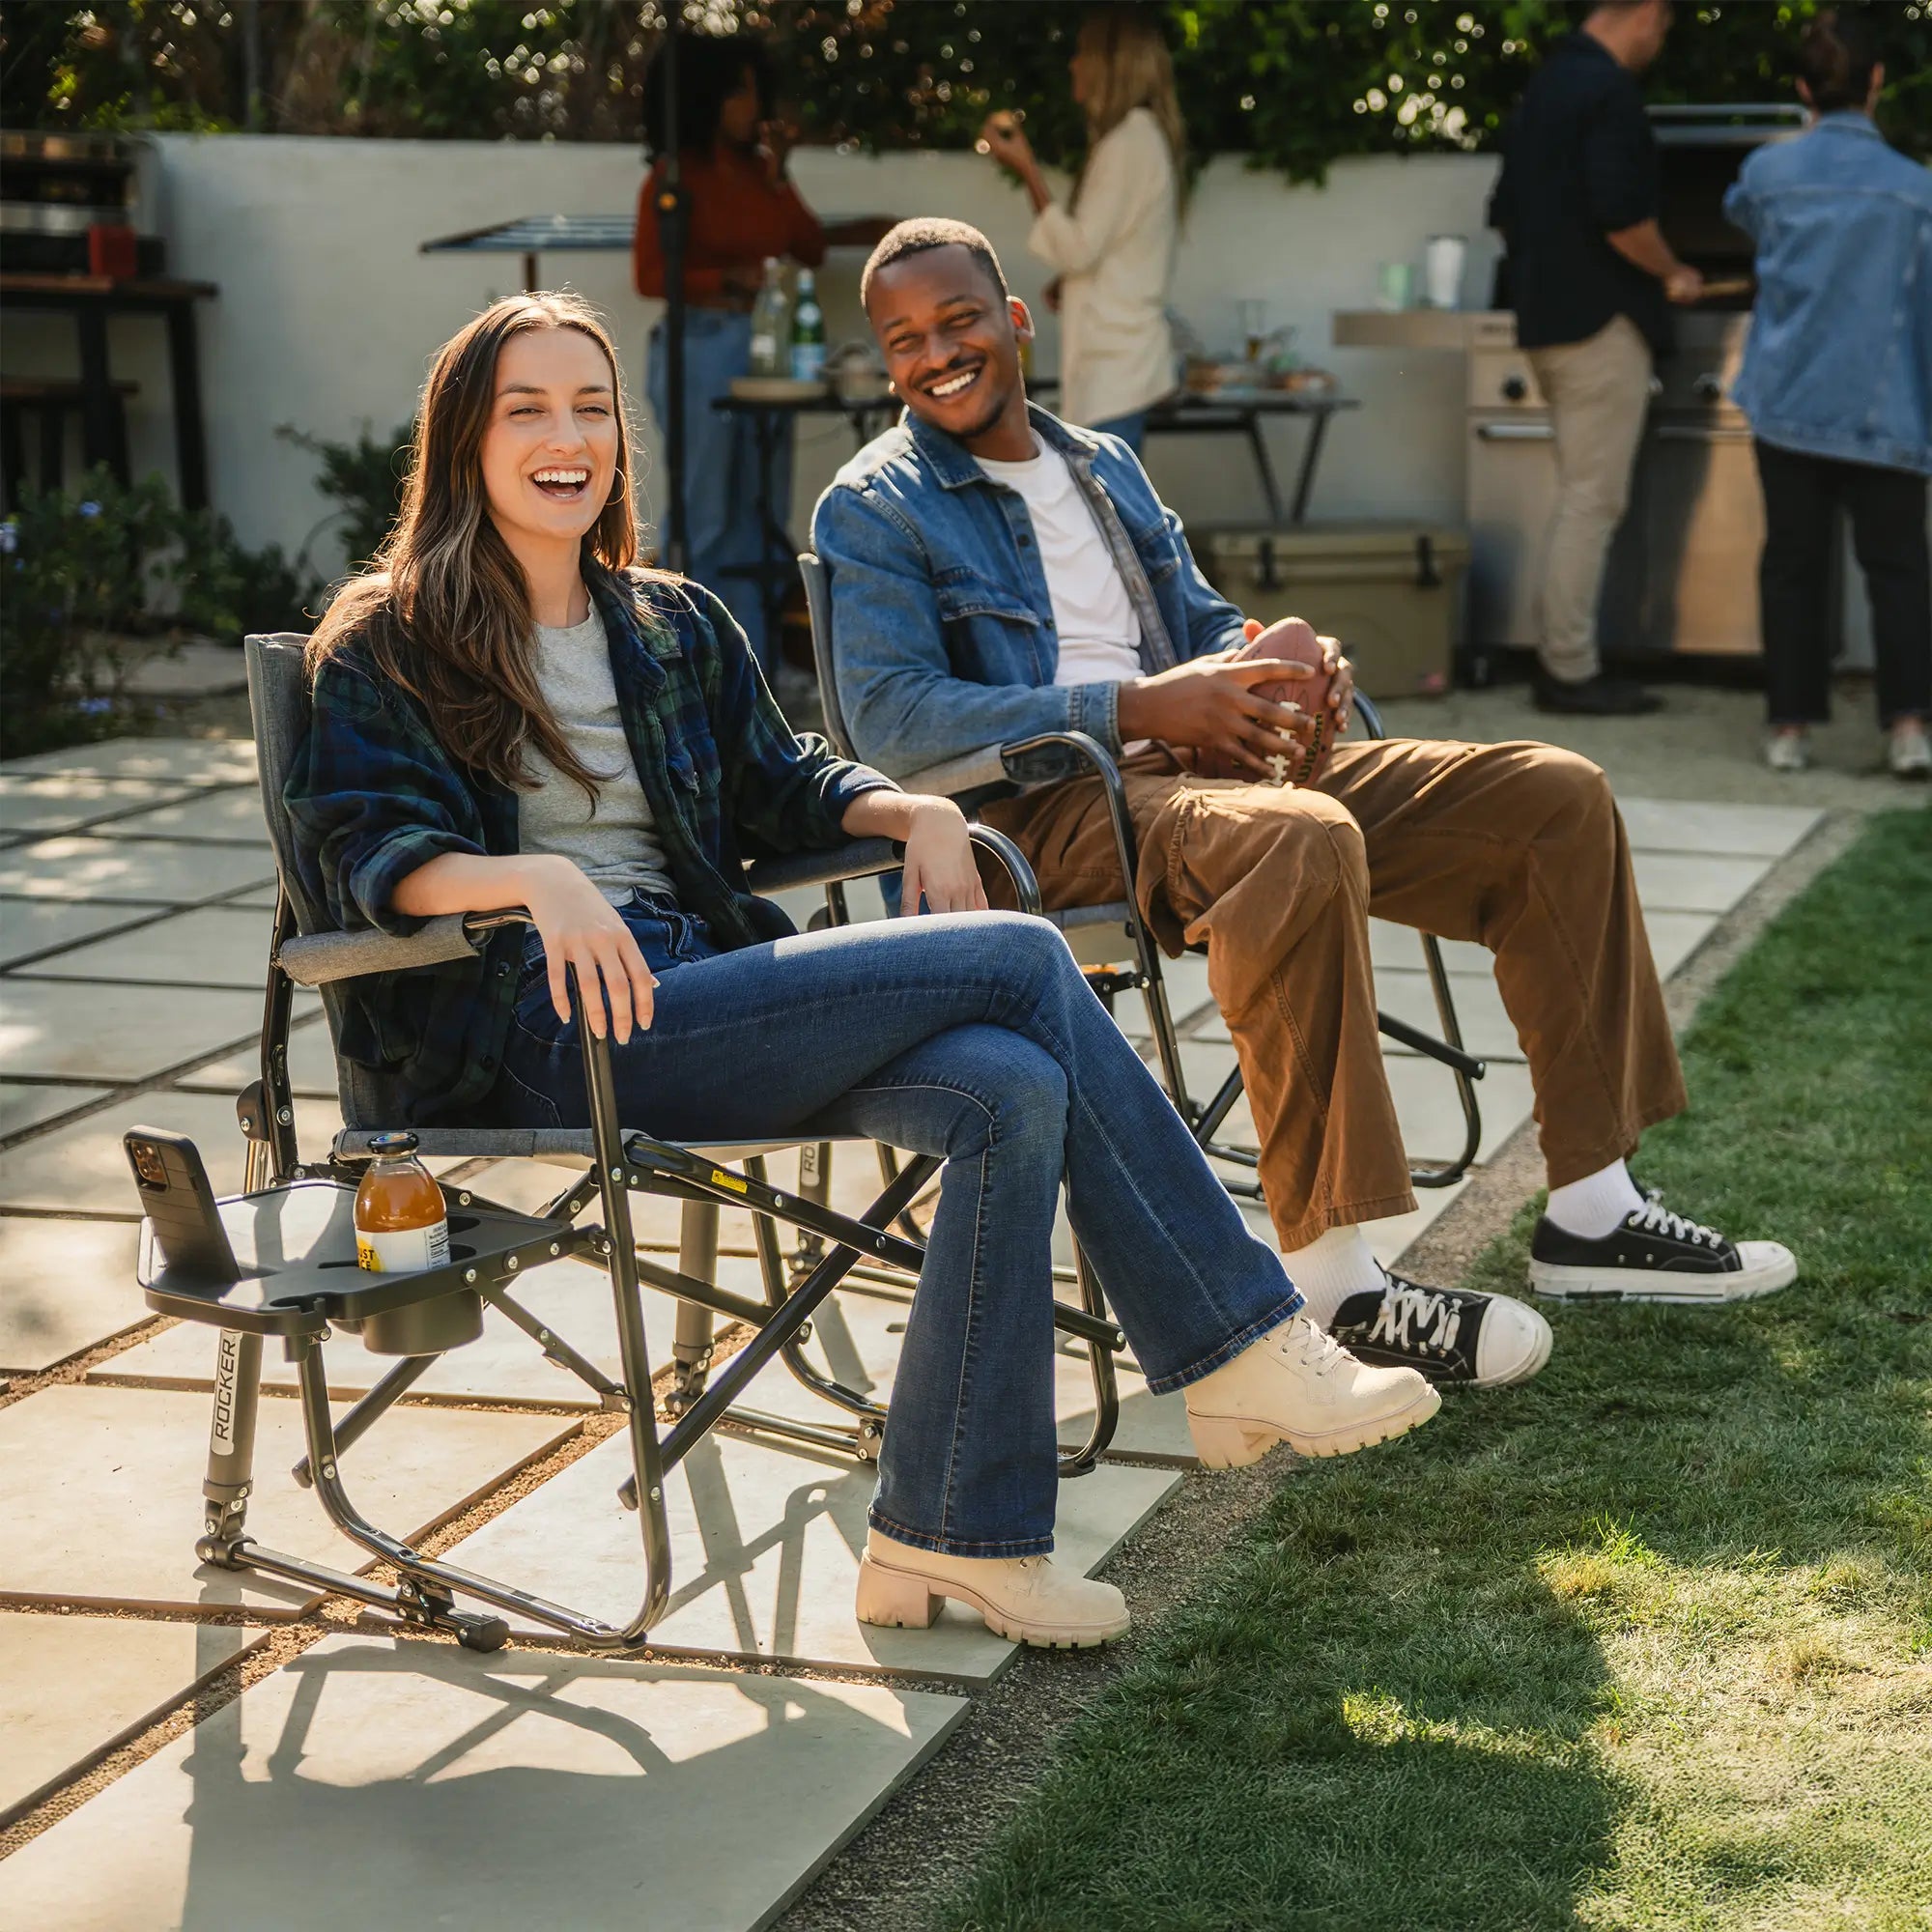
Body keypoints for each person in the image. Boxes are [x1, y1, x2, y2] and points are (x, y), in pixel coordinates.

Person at [283, 292, 1438, 1651]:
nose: (567, 435)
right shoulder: (385, 637)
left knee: (1006, 1085)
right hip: (534, 1020)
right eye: (527, 408)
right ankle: (1239, 1343)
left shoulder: (667, 622)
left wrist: (915, 810)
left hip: (688, 992)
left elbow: (788, 779)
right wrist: (531, 880)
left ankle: (947, 1538)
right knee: (1017, 961)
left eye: (591, 406)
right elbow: (370, 850)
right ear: (464, 438)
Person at [814, 219, 1801, 1395]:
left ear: (1016, 320)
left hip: (1204, 775)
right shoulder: (873, 506)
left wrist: (1286, 665)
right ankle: (1338, 1288)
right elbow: (891, 724)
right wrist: (1139, 703)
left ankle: (1591, 1207)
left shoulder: (1100, 466)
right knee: (1299, 839)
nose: (937, 352)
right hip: (1041, 817)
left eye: (959, 320)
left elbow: (1197, 628)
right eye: (905, 340)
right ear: (886, 363)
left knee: (1552, 795)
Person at [632, 35, 889, 671]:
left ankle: (758, 675)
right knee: (710, 518)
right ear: (708, 99)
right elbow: (648, 274)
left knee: (763, 517)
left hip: (770, 350)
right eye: (742, 90)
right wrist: (727, 279)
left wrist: (780, 177)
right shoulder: (673, 177)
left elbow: (808, 247)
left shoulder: (759, 169)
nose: (755, 103)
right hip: (706, 348)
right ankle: (700, 671)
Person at [1723, 10, 1932, 782]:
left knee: (1792, 567)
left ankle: (1789, 729)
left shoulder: (1768, 174)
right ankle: (1909, 728)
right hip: (1891, 405)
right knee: (1901, 568)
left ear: (1804, 88)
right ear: (1878, 82)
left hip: (1789, 400)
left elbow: (1741, 219)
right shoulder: (1918, 191)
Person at [1489, 0, 1707, 719]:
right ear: (1644, 11)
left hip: (1547, 321)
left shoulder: (1547, 86)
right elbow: (1623, 216)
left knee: (1579, 494)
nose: (1660, 40)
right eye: (1665, 25)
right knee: (1593, 498)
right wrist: (1674, 271)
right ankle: (1570, 670)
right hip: (1599, 324)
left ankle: (1566, 660)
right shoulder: (1607, 91)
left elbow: (1503, 208)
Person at [976, 5, 1180, 454]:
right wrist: (1071, 283)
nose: (1073, 64)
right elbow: (1108, 246)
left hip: (1116, 371)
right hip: (1117, 367)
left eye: (1081, 54)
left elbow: (1077, 250)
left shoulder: (1129, 140)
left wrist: (1026, 167)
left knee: (1107, 519)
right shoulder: (1138, 138)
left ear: (1109, 66)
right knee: (1105, 515)